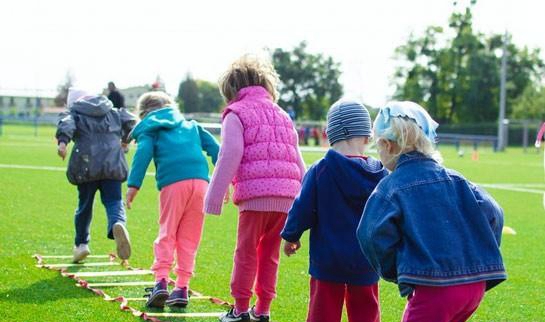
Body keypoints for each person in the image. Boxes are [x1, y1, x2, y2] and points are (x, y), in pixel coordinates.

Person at [357, 101, 506, 322]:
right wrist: (480, 251)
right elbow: (495, 212)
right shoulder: (457, 179)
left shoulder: (390, 187)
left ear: (387, 145)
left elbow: (370, 234)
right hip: (475, 286)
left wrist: (394, 270)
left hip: (435, 288)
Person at [205, 54, 306, 322]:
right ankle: (263, 310)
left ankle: (239, 310)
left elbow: (230, 154)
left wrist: (214, 197)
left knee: (246, 253)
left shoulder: (235, 113)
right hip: (287, 198)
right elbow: (298, 158)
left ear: (231, 89)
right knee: (270, 256)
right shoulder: (283, 114)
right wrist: (305, 200)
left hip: (255, 198)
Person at [281, 100, 387, 322]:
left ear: (329, 135)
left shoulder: (321, 169)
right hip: (366, 260)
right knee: (366, 312)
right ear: (367, 137)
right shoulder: (381, 174)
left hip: (327, 260)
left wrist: (291, 235)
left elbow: (302, 207)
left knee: (323, 313)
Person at [125, 91, 219, 309]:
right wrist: (226, 180)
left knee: (167, 232)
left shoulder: (151, 128)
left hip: (174, 183)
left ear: (144, 113)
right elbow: (217, 150)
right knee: (189, 238)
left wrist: (133, 185)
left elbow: (143, 153)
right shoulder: (192, 126)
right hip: (201, 184)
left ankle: (161, 283)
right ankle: (182, 288)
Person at [56, 88, 136, 263]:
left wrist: (62, 143)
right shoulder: (112, 110)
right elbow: (131, 121)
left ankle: (81, 244)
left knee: (85, 205)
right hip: (113, 164)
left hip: (86, 166)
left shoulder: (75, 113)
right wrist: (125, 140)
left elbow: (66, 123)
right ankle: (117, 223)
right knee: (114, 201)